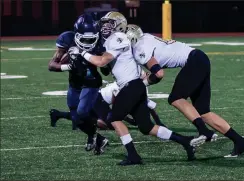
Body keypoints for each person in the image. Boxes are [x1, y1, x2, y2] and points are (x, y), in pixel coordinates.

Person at [69, 11, 206, 165]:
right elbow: (106, 69)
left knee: (113, 118)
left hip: (131, 86)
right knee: (146, 127)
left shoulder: (118, 38)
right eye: (104, 23)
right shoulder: (108, 41)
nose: (106, 27)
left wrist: (82, 52)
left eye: (110, 24)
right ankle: (185, 141)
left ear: (119, 25)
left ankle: (133, 155)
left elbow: (101, 62)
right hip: (134, 86)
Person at [126, 24, 244, 157]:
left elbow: (159, 73)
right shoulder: (146, 38)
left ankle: (204, 131)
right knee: (203, 112)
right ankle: (240, 141)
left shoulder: (139, 49)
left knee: (175, 98)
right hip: (199, 58)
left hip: (194, 61)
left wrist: (143, 83)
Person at [49, 13, 109, 154]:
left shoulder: (101, 42)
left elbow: (105, 72)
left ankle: (96, 133)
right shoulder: (67, 38)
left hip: (91, 81)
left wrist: (103, 63)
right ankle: (97, 138)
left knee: (82, 112)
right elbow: (51, 65)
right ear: (77, 34)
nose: (88, 43)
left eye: (91, 40)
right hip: (74, 82)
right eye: (85, 40)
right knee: (76, 118)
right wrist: (68, 66)